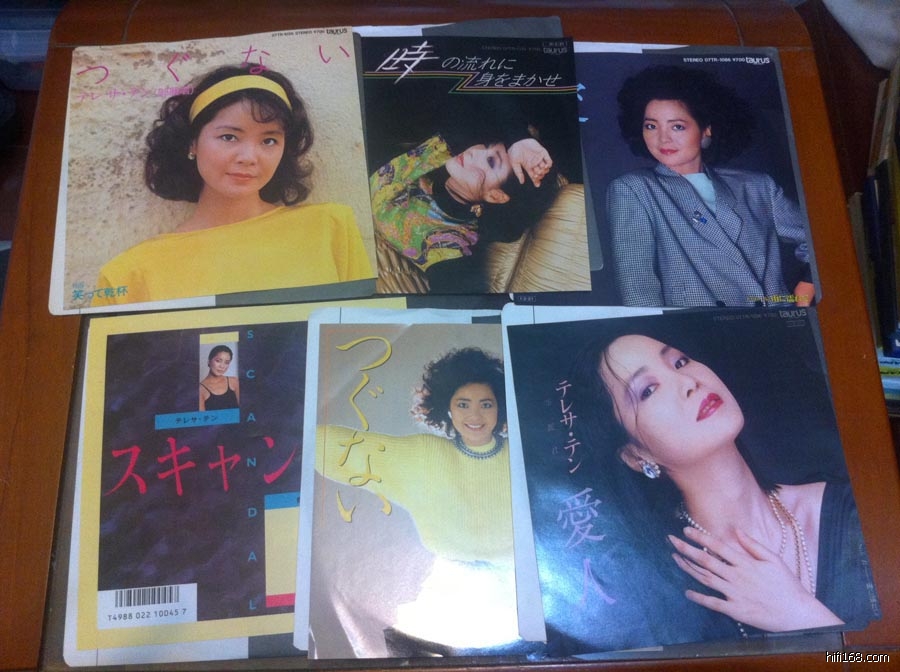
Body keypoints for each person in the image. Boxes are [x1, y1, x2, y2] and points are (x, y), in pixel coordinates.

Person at [568, 330, 880, 642]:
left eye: (679, 362)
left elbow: (882, 660)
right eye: (648, 390)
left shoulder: (859, 512)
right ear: (636, 456)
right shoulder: (661, 595)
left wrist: (800, 615)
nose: (688, 382)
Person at [92, 65, 372, 306]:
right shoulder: (129, 275)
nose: (249, 157)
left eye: (269, 140)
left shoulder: (330, 228)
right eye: (229, 137)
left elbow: (365, 337)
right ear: (192, 143)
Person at [313, 347, 519, 654]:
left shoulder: (525, 457)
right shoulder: (424, 454)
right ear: (447, 408)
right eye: (463, 404)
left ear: (500, 407)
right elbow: (325, 445)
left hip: (522, 599)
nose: (475, 416)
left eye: (486, 404)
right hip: (444, 603)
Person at [606, 65, 814, 308]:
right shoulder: (633, 190)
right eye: (651, 126)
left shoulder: (758, 186)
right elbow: (638, 289)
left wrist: (806, 287)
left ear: (706, 129)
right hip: (701, 329)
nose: (663, 138)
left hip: (777, 322)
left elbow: (820, 243)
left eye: (677, 126)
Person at [370, 131, 559, 293]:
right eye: (486, 145)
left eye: (491, 161)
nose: (474, 151)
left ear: (496, 196)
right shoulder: (450, 146)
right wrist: (519, 136)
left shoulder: (452, 250)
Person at [199, 344, 239, 411]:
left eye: (226, 362)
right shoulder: (200, 390)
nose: (222, 366)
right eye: (218, 361)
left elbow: (244, 411)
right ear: (209, 361)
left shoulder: (234, 382)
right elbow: (202, 417)